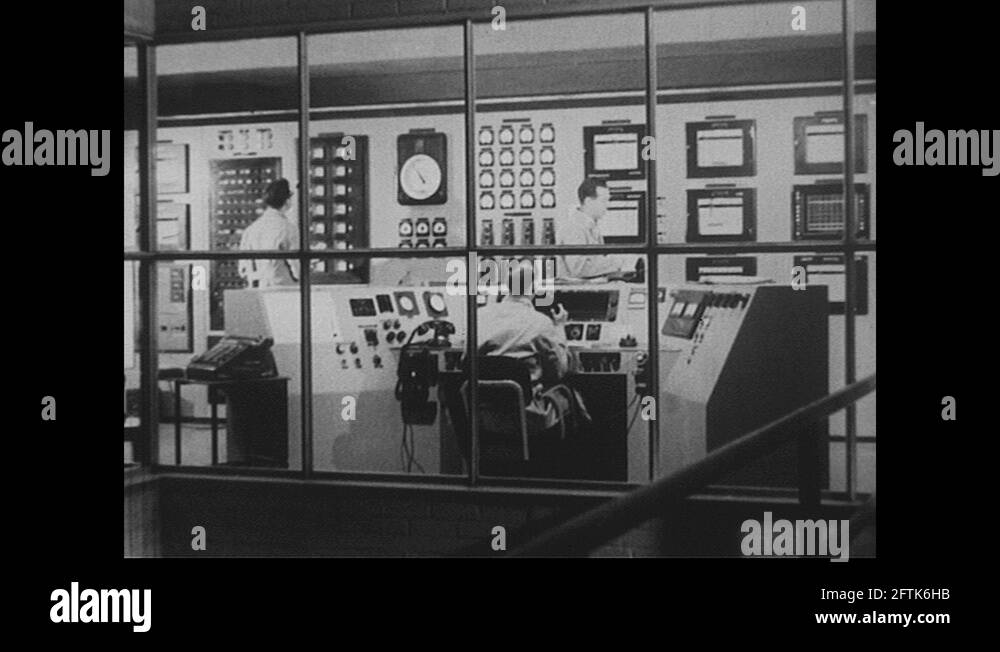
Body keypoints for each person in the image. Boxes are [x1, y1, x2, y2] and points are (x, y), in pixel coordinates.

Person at [477, 263, 590, 437]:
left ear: (506, 286)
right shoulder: (540, 323)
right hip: (528, 417)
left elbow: (465, 363)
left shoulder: (479, 317)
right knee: (571, 394)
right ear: (534, 289)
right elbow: (561, 370)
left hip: (484, 417)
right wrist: (559, 327)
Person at [556, 177, 629, 281]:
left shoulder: (591, 226)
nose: (607, 206)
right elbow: (579, 269)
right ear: (589, 201)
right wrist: (616, 262)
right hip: (576, 293)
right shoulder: (573, 227)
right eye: (604, 201)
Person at [238, 178, 299, 287]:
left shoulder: (251, 229)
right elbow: (297, 270)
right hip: (283, 290)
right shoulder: (288, 228)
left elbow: (243, 270)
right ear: (287, 200)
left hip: (258, 291)